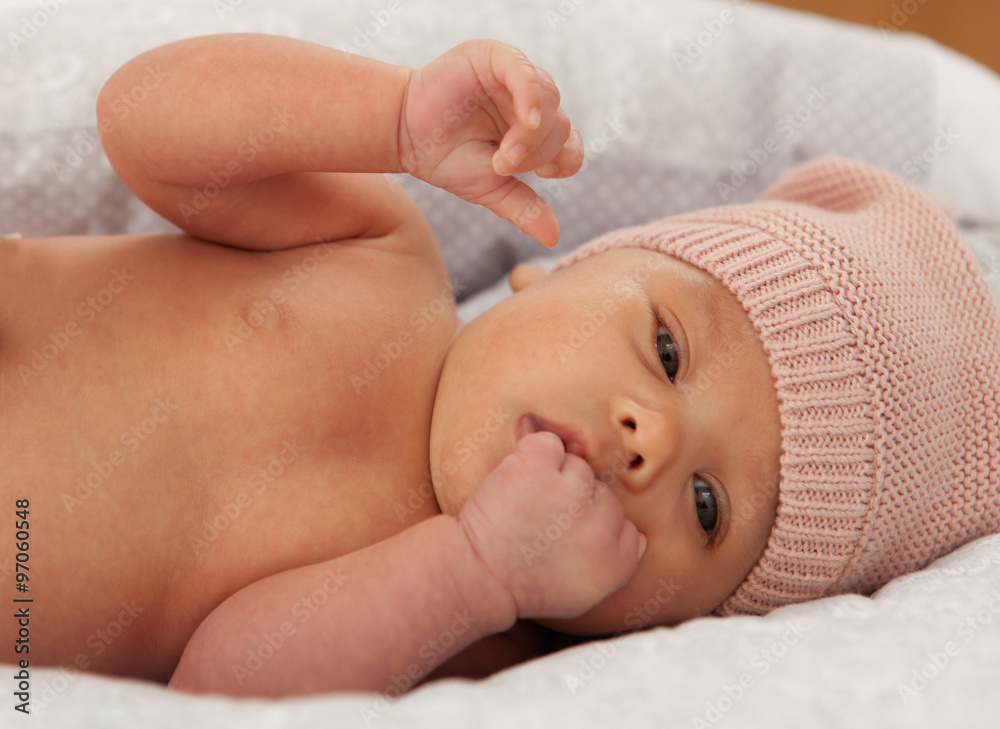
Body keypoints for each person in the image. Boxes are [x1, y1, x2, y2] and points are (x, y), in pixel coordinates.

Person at [2, 32, 997, 700]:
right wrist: (389, 119)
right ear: (555, 272)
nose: (651, 440)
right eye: (665, 349)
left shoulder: (470, 632)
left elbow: (218, 690)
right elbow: (143, 124)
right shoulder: (374, 255)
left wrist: (473, 575)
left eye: (707, 506)